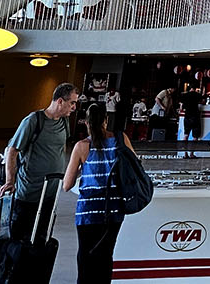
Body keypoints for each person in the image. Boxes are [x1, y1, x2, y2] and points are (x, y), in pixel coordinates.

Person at [63, 102, 134, 283]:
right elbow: (135, 166)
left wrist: (84, 169)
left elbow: (67, 184)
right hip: (113, 208)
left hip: (88, 210)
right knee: (105, 255)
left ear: (86, 122)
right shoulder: (121, 139)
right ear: (106, 120)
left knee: (85, 255)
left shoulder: (81, 146)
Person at [1, 83, 78, 239]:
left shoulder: (64, 122)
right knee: (22, 236)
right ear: (60, 101)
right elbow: (12, 151)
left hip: (50, 192)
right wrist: (10, 181)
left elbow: (60, 147)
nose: (74, 107)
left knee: (42, 236)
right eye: (72, 102)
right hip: (29, 192)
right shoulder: (33, 121)